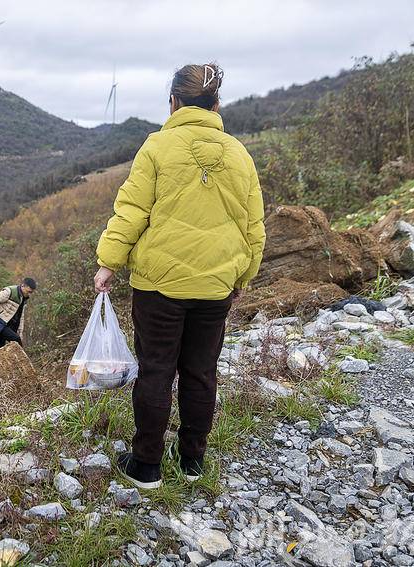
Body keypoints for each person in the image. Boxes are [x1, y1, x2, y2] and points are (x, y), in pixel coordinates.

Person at [94, 63, 266, 489]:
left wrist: (108, 262)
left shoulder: (156, 148)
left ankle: (147, 465)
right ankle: (192, 461)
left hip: (159, 287)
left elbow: (132, 210)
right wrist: (243, 275)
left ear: (173, 101)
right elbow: (253, 226)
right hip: (215, 286)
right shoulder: (240, 155)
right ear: (216, 104)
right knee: (201, 372)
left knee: (155, 370)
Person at [0, 278, 37, 349]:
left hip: (5, 324)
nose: (29, 294)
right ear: (23, 286)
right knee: (16, 340)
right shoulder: (9, 291)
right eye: (28, 291)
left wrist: (20, 332)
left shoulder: (23, 298)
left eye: (31, 292)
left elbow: (21, 315)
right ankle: (21, 359)